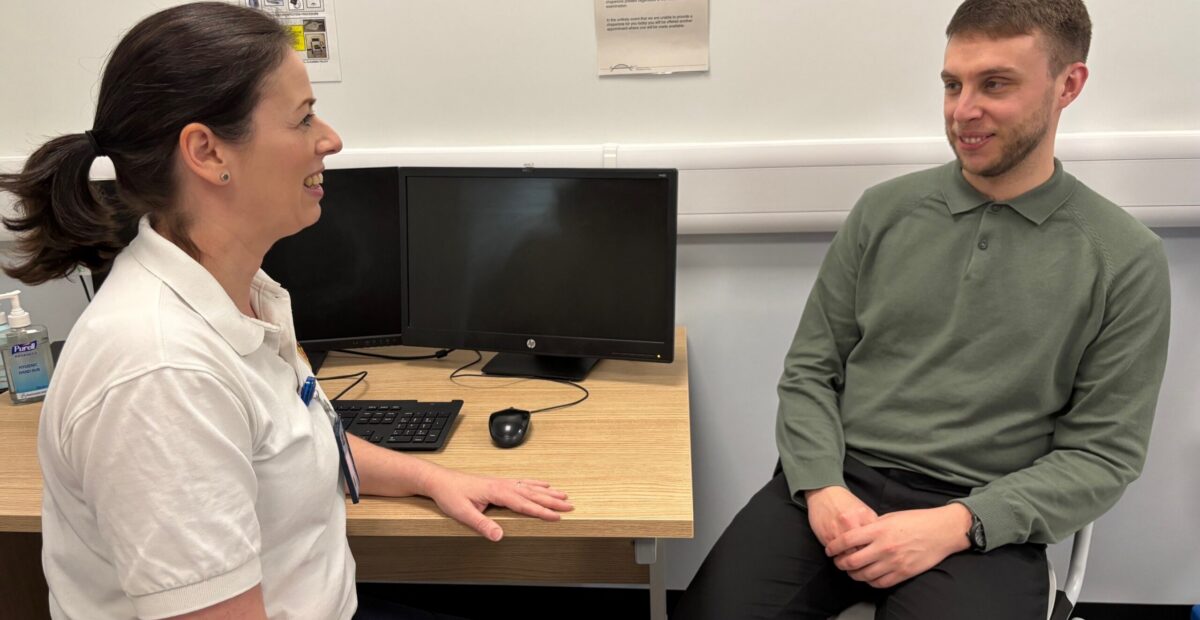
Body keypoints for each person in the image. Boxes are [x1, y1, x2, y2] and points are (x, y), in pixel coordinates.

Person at [0, 3, 572, 619]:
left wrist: (431, 478)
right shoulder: (162, 375)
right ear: (207, 152)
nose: (331, 139)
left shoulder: (243, 293)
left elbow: (294, 442)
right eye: (302, 119)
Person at [672, 1, 1171, 618]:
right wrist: (822, 486)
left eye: (995, 84)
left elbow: (1103, 455)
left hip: (985, 517)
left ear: (1068, 85)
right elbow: (809, 373)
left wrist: (959, 523)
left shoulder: (1124, 258)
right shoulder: (883, 212)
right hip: (840, 486)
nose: (963, 111)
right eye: (952, 84)